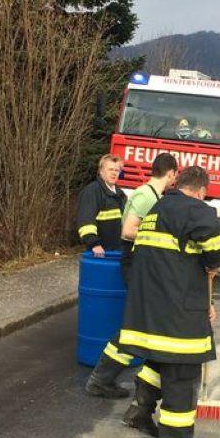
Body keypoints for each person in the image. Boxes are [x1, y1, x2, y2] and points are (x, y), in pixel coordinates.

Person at [117, 166, 220, 438]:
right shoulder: (196, 210)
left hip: (149, 305)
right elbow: (217, 250)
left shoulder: (157, 208)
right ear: (202, 190)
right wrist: (211, 265)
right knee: (182, 370)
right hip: (176, 308)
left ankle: (139, 411)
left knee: (158, 359)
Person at [84, 152, 178, 399]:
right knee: (136, 323)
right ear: (170, 174)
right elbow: (128, 231)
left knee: (139, 322)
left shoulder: (152, 195)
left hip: (139, 263)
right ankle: (101, 380)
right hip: (133, 263)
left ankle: (106, 380)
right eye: (174, 176)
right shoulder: (147, 196)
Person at [76, 154, 126, 258]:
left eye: (117, 170)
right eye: (110, 169)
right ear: (101, 171)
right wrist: (94, 243)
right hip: (98, 252)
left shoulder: (121, 195)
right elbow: (86, 220)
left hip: (116, 252)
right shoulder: (92, 192)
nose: (114, 173)